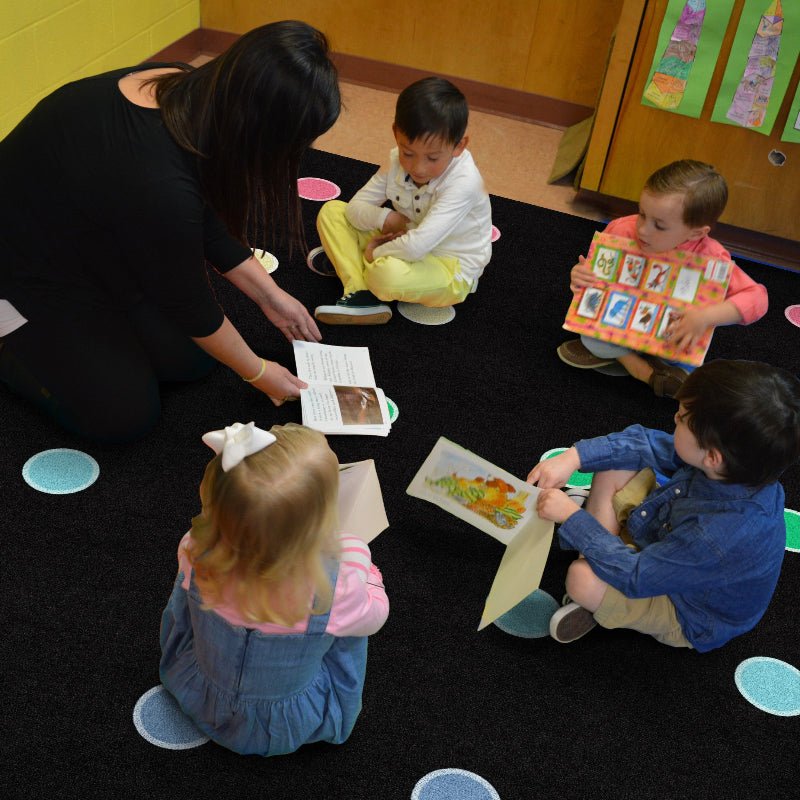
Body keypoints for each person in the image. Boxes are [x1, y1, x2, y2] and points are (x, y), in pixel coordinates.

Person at [0, 21, 339, 442]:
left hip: (90, 238)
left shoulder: (183, 86)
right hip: (20, 273)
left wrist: (270, 295)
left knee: (192, 361)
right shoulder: (156, 182)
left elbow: (203, 215)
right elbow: (187, 299)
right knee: (122, 415)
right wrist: (257, 371)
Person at [527, 359, 800, 652]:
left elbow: (637, 576)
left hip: (685, 607)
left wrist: (572, 519)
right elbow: (644, 444)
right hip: (669, 539)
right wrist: (573, 458)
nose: (674, 419)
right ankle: (601, 547)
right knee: (616, 462)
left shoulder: (715, 536)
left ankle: (597, 572)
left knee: (581, 579)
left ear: (712, 457)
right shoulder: (736, 468)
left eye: (682, 418)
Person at [160, 421, 389, 756]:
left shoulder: (194, 548)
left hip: (199, 691)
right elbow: (375, 616)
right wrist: (359, 556)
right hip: (284, 722)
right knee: (349, 622)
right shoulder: (335, 585)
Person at [557, 160, 768, 398]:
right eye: (642, 214)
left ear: (696, 232)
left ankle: (625, 360)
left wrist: (705, 317)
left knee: (684, 357)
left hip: (668, 334)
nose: (643, 230)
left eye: (659, 225)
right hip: (620, 321)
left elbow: (758, 299)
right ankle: (640, 370)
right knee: (591, 336)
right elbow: (595, 280)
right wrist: (579, 276)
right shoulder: (622, 230)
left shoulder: (711, 257)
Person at [311, 76, 492, 325]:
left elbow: (416, 247)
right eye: (408, 153)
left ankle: (354, 268)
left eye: (432, 158)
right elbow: (355, 208)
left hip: (449, 268)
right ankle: (361, 291)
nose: (418, 167)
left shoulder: (464, 182)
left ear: (459, 146)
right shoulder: (396, 159)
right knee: (332, 211)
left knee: (386, 276)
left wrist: (375, 252)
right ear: (396, 133)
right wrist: (386, 217)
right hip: (404, 240)